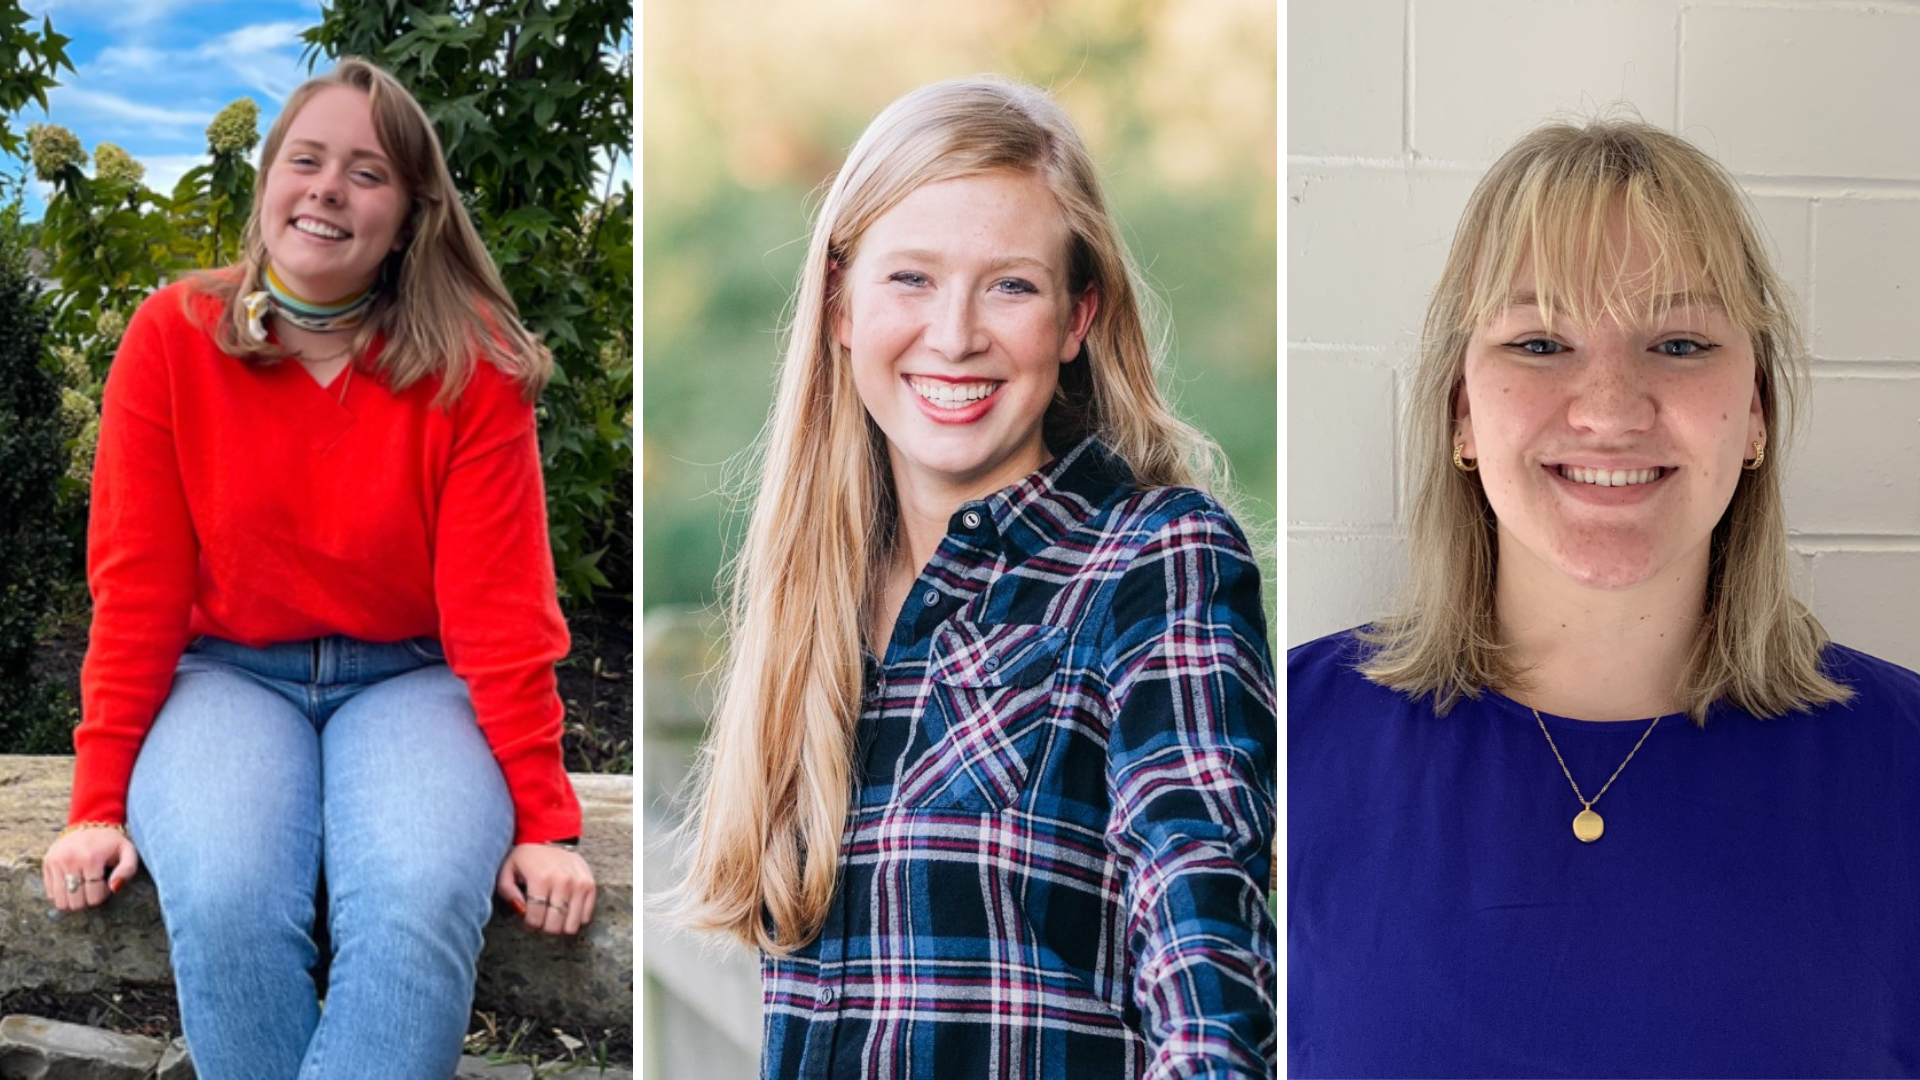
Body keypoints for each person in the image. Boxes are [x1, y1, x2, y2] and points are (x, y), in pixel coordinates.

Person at [663, 76, 1277, 1078]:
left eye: (1011, 285)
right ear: (840, 304)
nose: (954, 334)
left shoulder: (1159, 564)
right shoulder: (816, 608)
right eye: (911, 279)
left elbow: (1205, 948)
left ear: (1078, 320)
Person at [1289, 116, 1920, 1078]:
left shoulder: (1903, 767)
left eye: (1678, 341)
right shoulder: (1267, 744)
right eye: (1540, 343)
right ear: (1463, 413)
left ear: (1753, 415)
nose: (1609, 409)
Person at [38, 58, 597, 1080]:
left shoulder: (468, 363)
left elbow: (501, 606)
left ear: (411, 214)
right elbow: (138, 588)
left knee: (422, 893)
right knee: (221, 891)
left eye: (367, 172)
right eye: (306, 159)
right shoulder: (173, 338)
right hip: (228, 674)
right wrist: (98, 804)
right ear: (268, 183)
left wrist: (546, 819)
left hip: (414, 675)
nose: (328, 188)